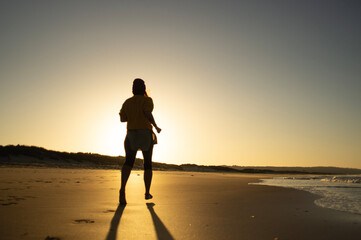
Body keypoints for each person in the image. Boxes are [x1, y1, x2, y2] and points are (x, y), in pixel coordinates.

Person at [118, 78, 161, 205]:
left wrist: (133, 115)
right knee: (147, 164)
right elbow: (147, 113)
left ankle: (122, 189)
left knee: (128, 162)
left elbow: (122, 118)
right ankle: (147, 193)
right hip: (145, 134)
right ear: (143, 88)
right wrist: (156, 125)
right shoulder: (147, 100)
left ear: (133, 89)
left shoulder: (127, 102)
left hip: (131, 134)